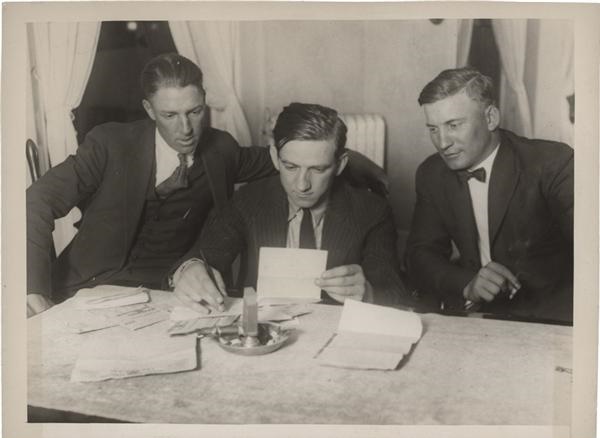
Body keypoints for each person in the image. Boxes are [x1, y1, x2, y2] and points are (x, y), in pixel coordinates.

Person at [26, 53, 387, 317]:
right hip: (83, 290)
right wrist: (33, 292)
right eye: (170, 115)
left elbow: (289, 158)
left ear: (204, 102)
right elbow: (34, 203)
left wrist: (372, 172)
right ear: (149, 110)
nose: (186, 129)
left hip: (164, 297)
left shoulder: (222, 149)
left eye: (196, 111)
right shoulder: (108, 145)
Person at [172, 102, 408, 309]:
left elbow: (395, 293)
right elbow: (204, 255)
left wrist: (368, 293)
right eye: (291, 167)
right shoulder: (249, 200)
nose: (302, 185)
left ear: (340, 164)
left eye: (317, 169)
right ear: (275, 158)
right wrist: (189, 270)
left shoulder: (371, 211)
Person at [406, 67, 573, 323]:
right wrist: (466, 284)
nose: (442, 142)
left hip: (551, 319)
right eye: (433, 129)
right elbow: (420, 255)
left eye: (453, 125)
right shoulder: (432, 173)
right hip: (476, 314)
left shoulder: (553, 164)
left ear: (491, 118)